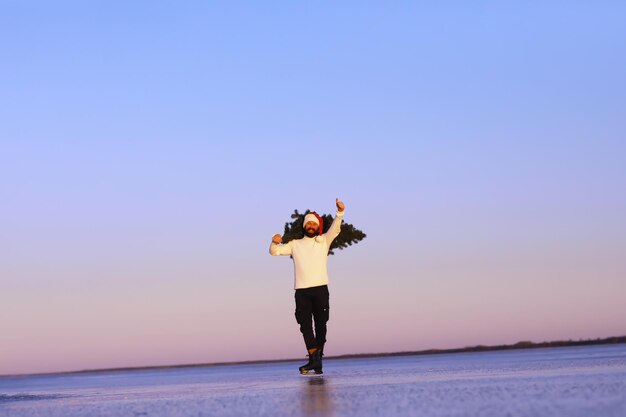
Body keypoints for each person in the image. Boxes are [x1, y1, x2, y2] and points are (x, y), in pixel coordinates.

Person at [269, 198, 345, 374]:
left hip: (320, 289)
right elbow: (274, 251)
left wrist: (340, 212)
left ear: (317, 226)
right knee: (304, 324)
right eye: (308, 223)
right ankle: (314, 359)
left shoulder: (324, 241)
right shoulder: (295, 244)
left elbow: (335, 229)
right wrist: (274, 241)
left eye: (313, 223)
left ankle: (316, 360)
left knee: (321, 324)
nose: (310, 225)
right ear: (304, 226)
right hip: (301, 290)